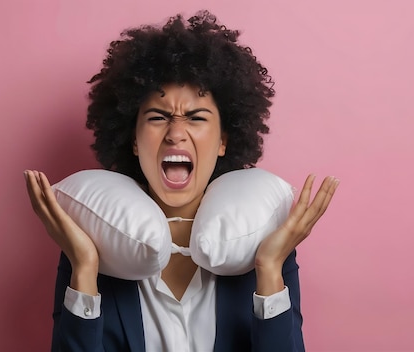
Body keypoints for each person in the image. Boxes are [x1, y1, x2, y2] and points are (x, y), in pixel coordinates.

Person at [25, 10, 339, 352]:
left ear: (224, 141)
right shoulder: (94, 245)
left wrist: (268, 269)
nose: (176, 134)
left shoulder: (266, 245)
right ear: (133, 140)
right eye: (158, 117)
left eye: (196, 117)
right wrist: (85, 269)